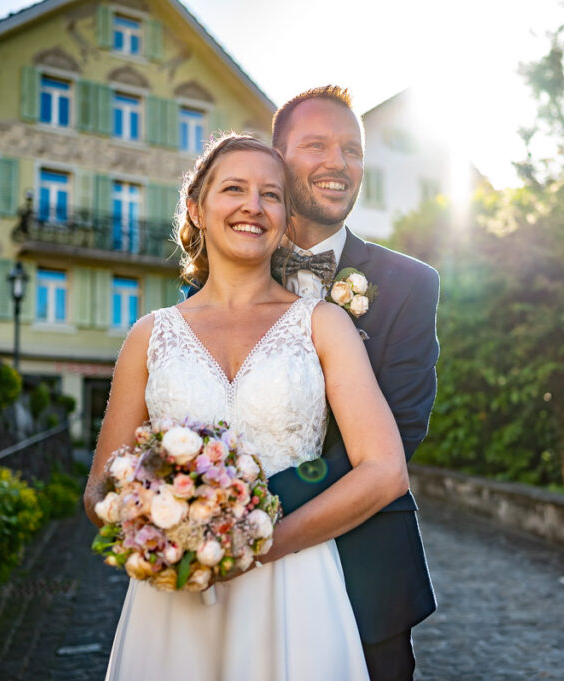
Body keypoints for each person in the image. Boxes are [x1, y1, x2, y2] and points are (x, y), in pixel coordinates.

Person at [84, 133, 409, 680]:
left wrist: (254, 546)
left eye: (271, 195)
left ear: (285, 218)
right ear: (196, 208)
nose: (253, 206)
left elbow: (385, 470)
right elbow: (99, 489)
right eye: (234, 189)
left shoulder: (322, 324)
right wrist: (161, 529)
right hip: (176, 590)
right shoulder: (149, 336)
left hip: (296, 587)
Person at [265, 86, 439, 681]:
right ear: (276, 159)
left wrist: (262, 507)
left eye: (353, 150)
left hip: (367, 566)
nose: (338, 163)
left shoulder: (411, 284)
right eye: (316, 145)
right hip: (240, 573)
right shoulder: (225, 274)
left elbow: (403, 427)